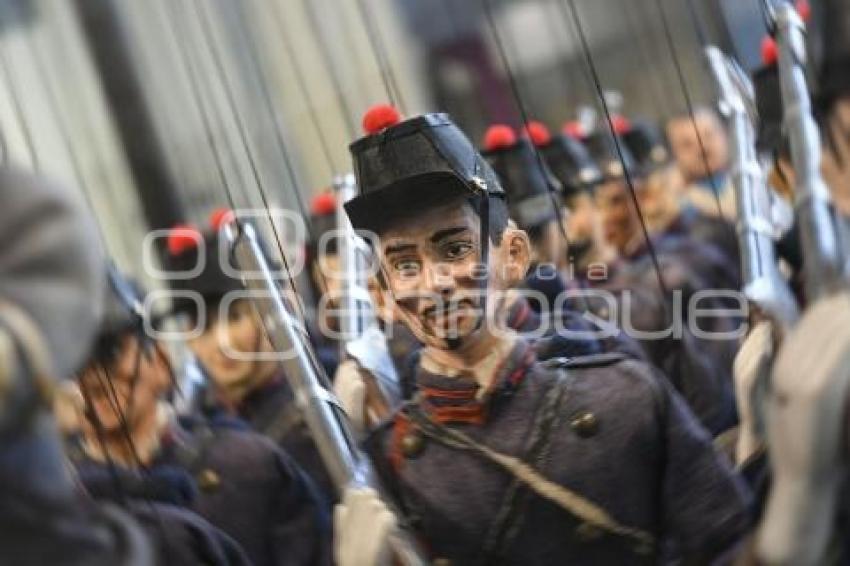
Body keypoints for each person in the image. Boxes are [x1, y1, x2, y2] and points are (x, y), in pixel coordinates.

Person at [334, 105, 750, 565]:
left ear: (512, 255)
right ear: (383, 296)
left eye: (454, 249)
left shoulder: (627, 396)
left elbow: (729, 544)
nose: (434, 282)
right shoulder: (392, 468)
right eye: (405, 265)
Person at [72, 266, 332, 566]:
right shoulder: (60, 513)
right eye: (70, 364)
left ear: (159, 361)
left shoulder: (248, 467)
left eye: (110, 353)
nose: (91, 378)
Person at [165, 217, 337, 501]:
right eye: (204, 327)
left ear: (277, 307)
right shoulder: (195, 437)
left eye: (234, 317)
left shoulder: (331, 385)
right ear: (189, 339)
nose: (222, 343)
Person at [666, 107, 737, 220]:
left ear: (725, 134)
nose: (702, 147)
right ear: (674, 155)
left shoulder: (755, 175)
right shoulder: (670, 199)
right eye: (687, 144)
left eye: (708, 135)